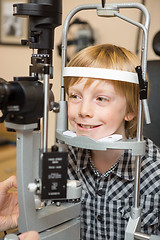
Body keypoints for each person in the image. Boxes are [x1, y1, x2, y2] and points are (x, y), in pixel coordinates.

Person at [63, 44, 160, 239]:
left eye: (101, 98)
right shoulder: (63, 161)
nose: (83, 110)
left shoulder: (155, 173)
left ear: (131, 110)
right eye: (75, 96)